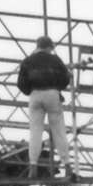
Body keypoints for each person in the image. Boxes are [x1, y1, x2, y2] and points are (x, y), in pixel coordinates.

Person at [16, 33, 72, 172]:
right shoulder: (55, 60)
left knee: (35, 131)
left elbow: (21, 83)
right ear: (49, 47)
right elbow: (65, 79)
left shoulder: (28, 61)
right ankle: (67, 164)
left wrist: (31, 92)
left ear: (38, 46)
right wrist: (56, 88)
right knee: (59, 130)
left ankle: (33, 165)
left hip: (35, 95)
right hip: (52, 94)